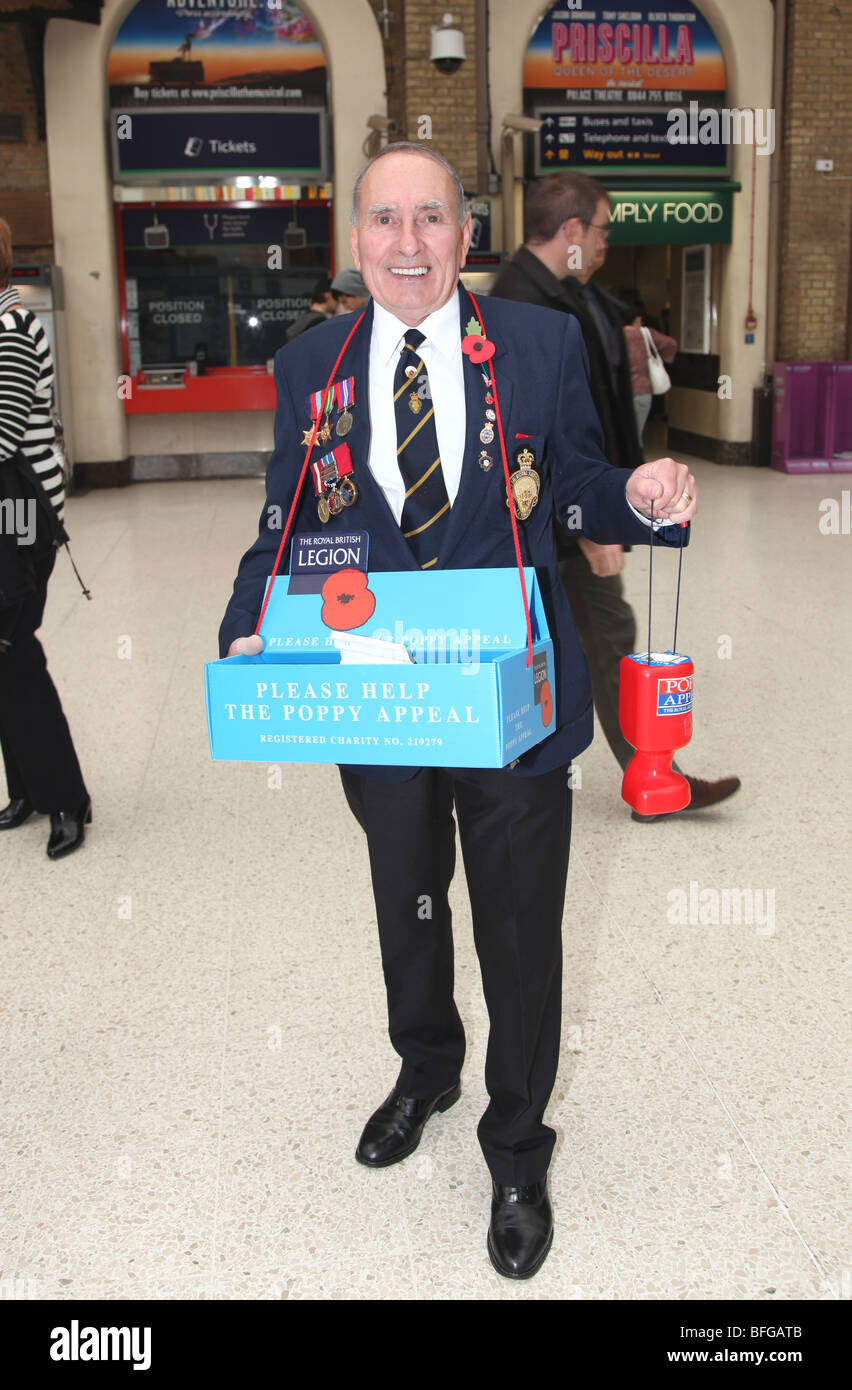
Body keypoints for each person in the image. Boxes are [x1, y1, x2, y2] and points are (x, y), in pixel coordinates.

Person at [219, 144, 698, 1279]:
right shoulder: (310, 366)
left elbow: (578, 477)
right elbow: (282, 521)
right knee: (410, 898)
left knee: (522, 925)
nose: (407, 244)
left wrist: (634, 494)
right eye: (384, 219)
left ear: (465, 233)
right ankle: (426, 1062)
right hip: (379, 692)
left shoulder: (533, 345)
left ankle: (519, 1142)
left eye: (430, 218)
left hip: (510, 690)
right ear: (354, 238)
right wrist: (247, 625)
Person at [490, 172, 740, 820]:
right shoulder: (522, 304)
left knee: (598, 635)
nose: (606, 242)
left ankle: (648, 775)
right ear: (571, 231)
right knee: (599, 634)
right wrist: (588, 524)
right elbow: (533, 437)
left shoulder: (572, 294)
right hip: (556, 522)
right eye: (601, 229)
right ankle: (648, 779)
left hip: (585, 508)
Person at [0, 217, 91, 858]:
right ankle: (30, 787)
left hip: (18, 519)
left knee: (14, 652)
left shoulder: (8, 330)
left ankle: (65, 797)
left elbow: (1, 438)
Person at [619, 292, 678, 445]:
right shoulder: (645, 334)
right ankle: (634, 466)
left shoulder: (613, 335)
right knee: (636, 436)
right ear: (637, 318)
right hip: (642, 391)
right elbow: (671, 343)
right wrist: (661, 360)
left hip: (620, 393)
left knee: (620, 436)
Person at [285, 274, 337, 343]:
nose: (338, 302)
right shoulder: (319, 322)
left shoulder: (304, 318)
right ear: (328, 295)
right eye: (336, 297)